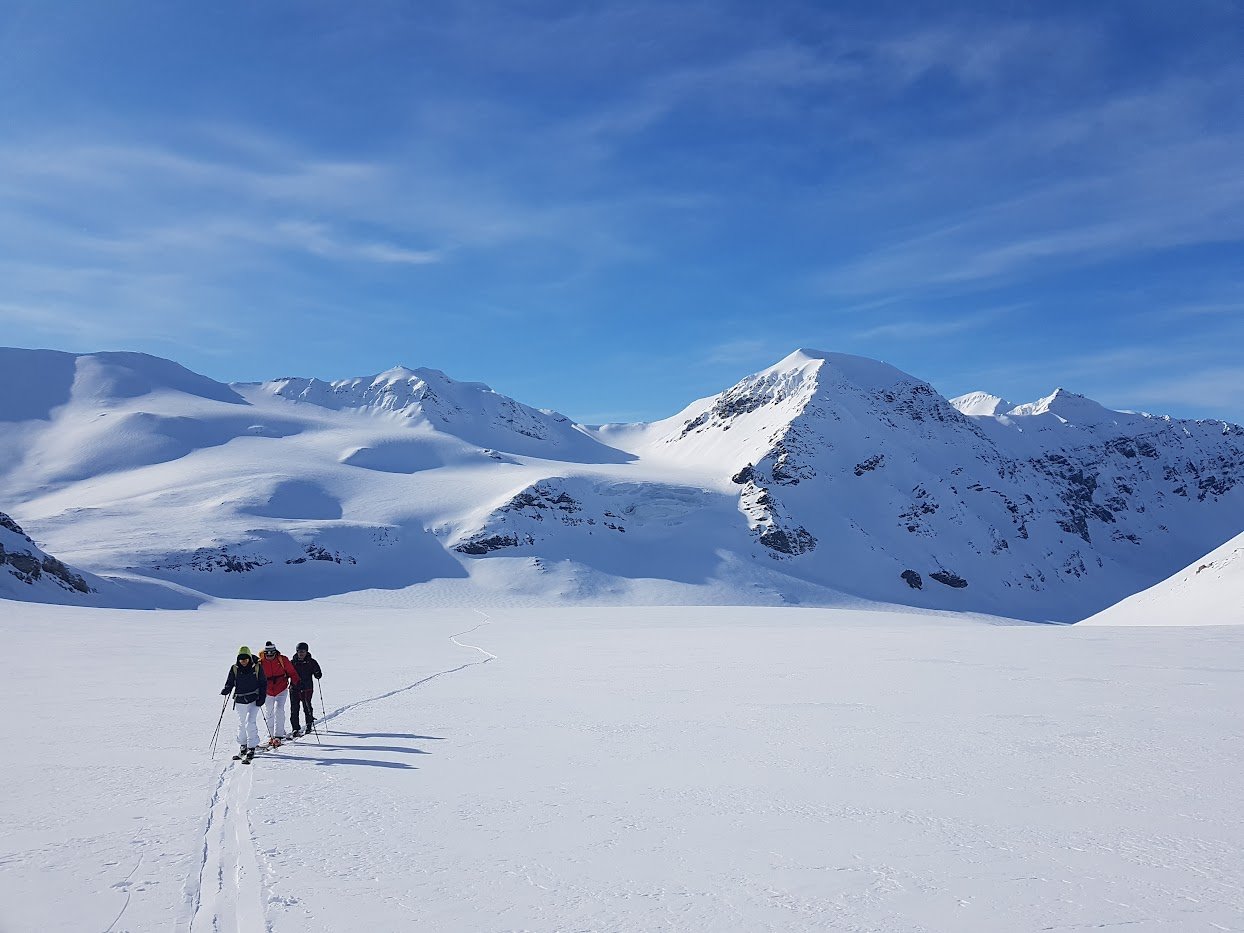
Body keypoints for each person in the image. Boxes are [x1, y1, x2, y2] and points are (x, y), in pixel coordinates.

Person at [221, 646, 267, 759]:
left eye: (246, 659)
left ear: (249, 658)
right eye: (241, 659)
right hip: (240, 701)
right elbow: (230, 682)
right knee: (242, 724)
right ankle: (243, 745)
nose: (243, 661)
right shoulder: (234, 668)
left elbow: (263, 683)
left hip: (254, 700)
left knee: (249, 722)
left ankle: (251, 747)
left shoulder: (257, 667)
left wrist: (262, 698)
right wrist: (226, 689)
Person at [258, 641, 300, 746]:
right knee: (269, 712)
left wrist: (296, 682)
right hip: (267, 691)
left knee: (279, 709)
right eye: (267, 653)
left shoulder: (283, 659)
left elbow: (292, 672)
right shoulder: (260, 662)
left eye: (272, 652)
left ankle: (278, 735)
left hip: (281, 688)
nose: (270, 655)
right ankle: (271, 735)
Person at [289, 641, 323, 736]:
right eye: (299, 651)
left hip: (307, 688)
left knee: (307, 707)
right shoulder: (292, 662)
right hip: (294, 688)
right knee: (294, 709)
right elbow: (287, 673)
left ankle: (309, 725)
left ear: (306, 652)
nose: (301, 653)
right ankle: (295, 728)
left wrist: (317, 673)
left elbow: (318, 674)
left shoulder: (311, 662)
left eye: (303, 651)